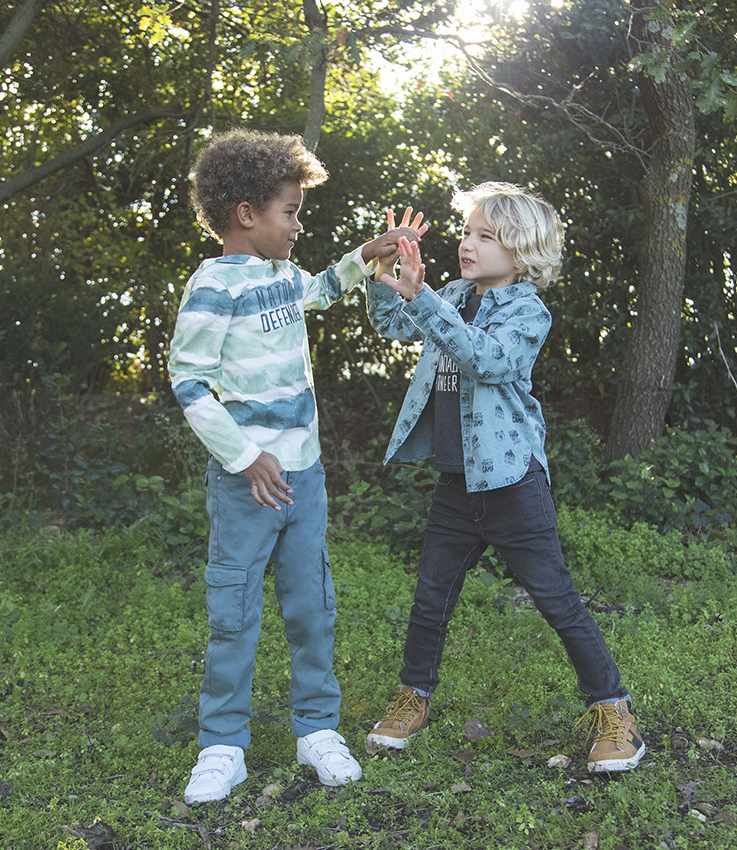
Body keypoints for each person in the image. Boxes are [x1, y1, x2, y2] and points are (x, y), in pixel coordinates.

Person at [168, 128, 426, 803]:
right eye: (290, 211)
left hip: (304, 481)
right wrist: (246, 457)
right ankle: (223, 744)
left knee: (312, 607)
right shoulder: (213, 285)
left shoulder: (283, 278)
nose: (298, 223)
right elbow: (189, 382)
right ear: (245, 214)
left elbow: (321, 290)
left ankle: (317, 727)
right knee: (235, 613)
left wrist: (367, 254)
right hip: (245, 484)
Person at [364, 182, 645, 773]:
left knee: (556, 599)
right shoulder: (454, 293)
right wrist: (386, 268)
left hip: (513, 483)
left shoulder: (526, 310)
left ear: (522, 254)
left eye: (486, 237)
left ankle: (614, 711)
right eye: (467, 232)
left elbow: (487, 360)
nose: (468, 244)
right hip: (454, 482)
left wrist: (426, 303)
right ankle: (412, 696)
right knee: (430, 597)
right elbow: (394, 324)